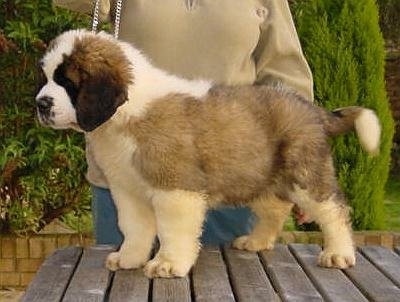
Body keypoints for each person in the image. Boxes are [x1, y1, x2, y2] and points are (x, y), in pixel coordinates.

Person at [54, 0, 313, 246]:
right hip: (129, 179)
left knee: (231, 288)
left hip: (231, 181)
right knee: (127, 289)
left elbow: (285, 77)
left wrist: (302, 163)